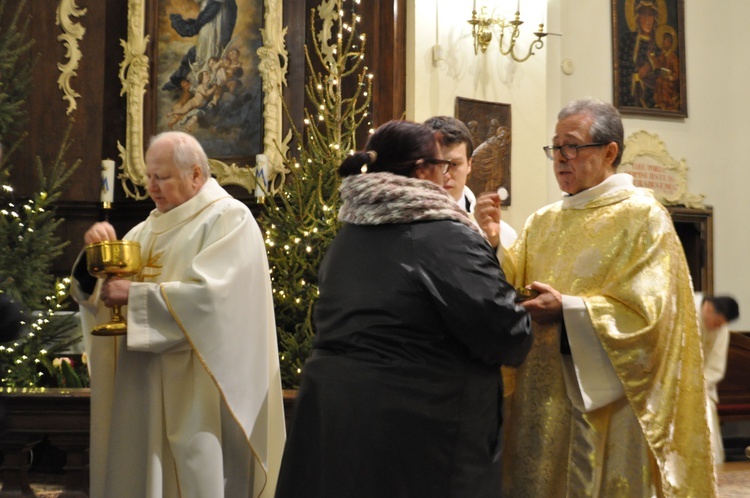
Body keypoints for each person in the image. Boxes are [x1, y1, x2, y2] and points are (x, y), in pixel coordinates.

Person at [275, 120, 533, 498]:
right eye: (441, 165)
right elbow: (504, 333)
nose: (446, 174)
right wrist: (524, 313)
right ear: (421, 170)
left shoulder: (350, 234)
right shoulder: (444, 235)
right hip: (420, 433)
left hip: (341, 422)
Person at [476, 97, 716, 496]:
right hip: (541, 397)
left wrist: (568, 310)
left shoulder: (644, 217)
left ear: (609, 152)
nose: (560, 158)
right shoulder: (543, 220)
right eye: (555, 147)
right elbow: (510, 284)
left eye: (572, 146)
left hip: (606, 407)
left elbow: (650, 319)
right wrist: (495, 245)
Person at [71, 131, 285, 498]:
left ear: (196, 175)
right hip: (140, 385)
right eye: (148, 177)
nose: (151, 187)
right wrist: (96, 259)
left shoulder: (229, 220)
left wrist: (136, 297)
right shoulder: (145, 230)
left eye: (162, 177)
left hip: (198, 388)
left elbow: (216, 303)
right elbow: (103, 299)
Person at [424, 115, 518, 249]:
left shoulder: (503, 234)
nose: (445, 175)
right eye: (437, 164)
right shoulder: (402, 225)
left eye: (454, 164)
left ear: (469, 164)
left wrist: (492, 243)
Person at [696, 293, 740, 465]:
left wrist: (696, 386)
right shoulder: (684, 307)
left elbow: (715, 366)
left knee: (705, 415)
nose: (717, 328)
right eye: (716, 323)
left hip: (701, 388)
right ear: (709, 307)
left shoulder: (722, 328)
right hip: (671, 383)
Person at [618, 1, 661, 108]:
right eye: (643, 14)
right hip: (631, 96)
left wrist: (651, 66)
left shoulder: (659, 43)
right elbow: (621, 66)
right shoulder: (628, 40)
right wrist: (637, 72)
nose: (647, 21)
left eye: (650, 15)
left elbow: (663, 68)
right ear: (637, 17)